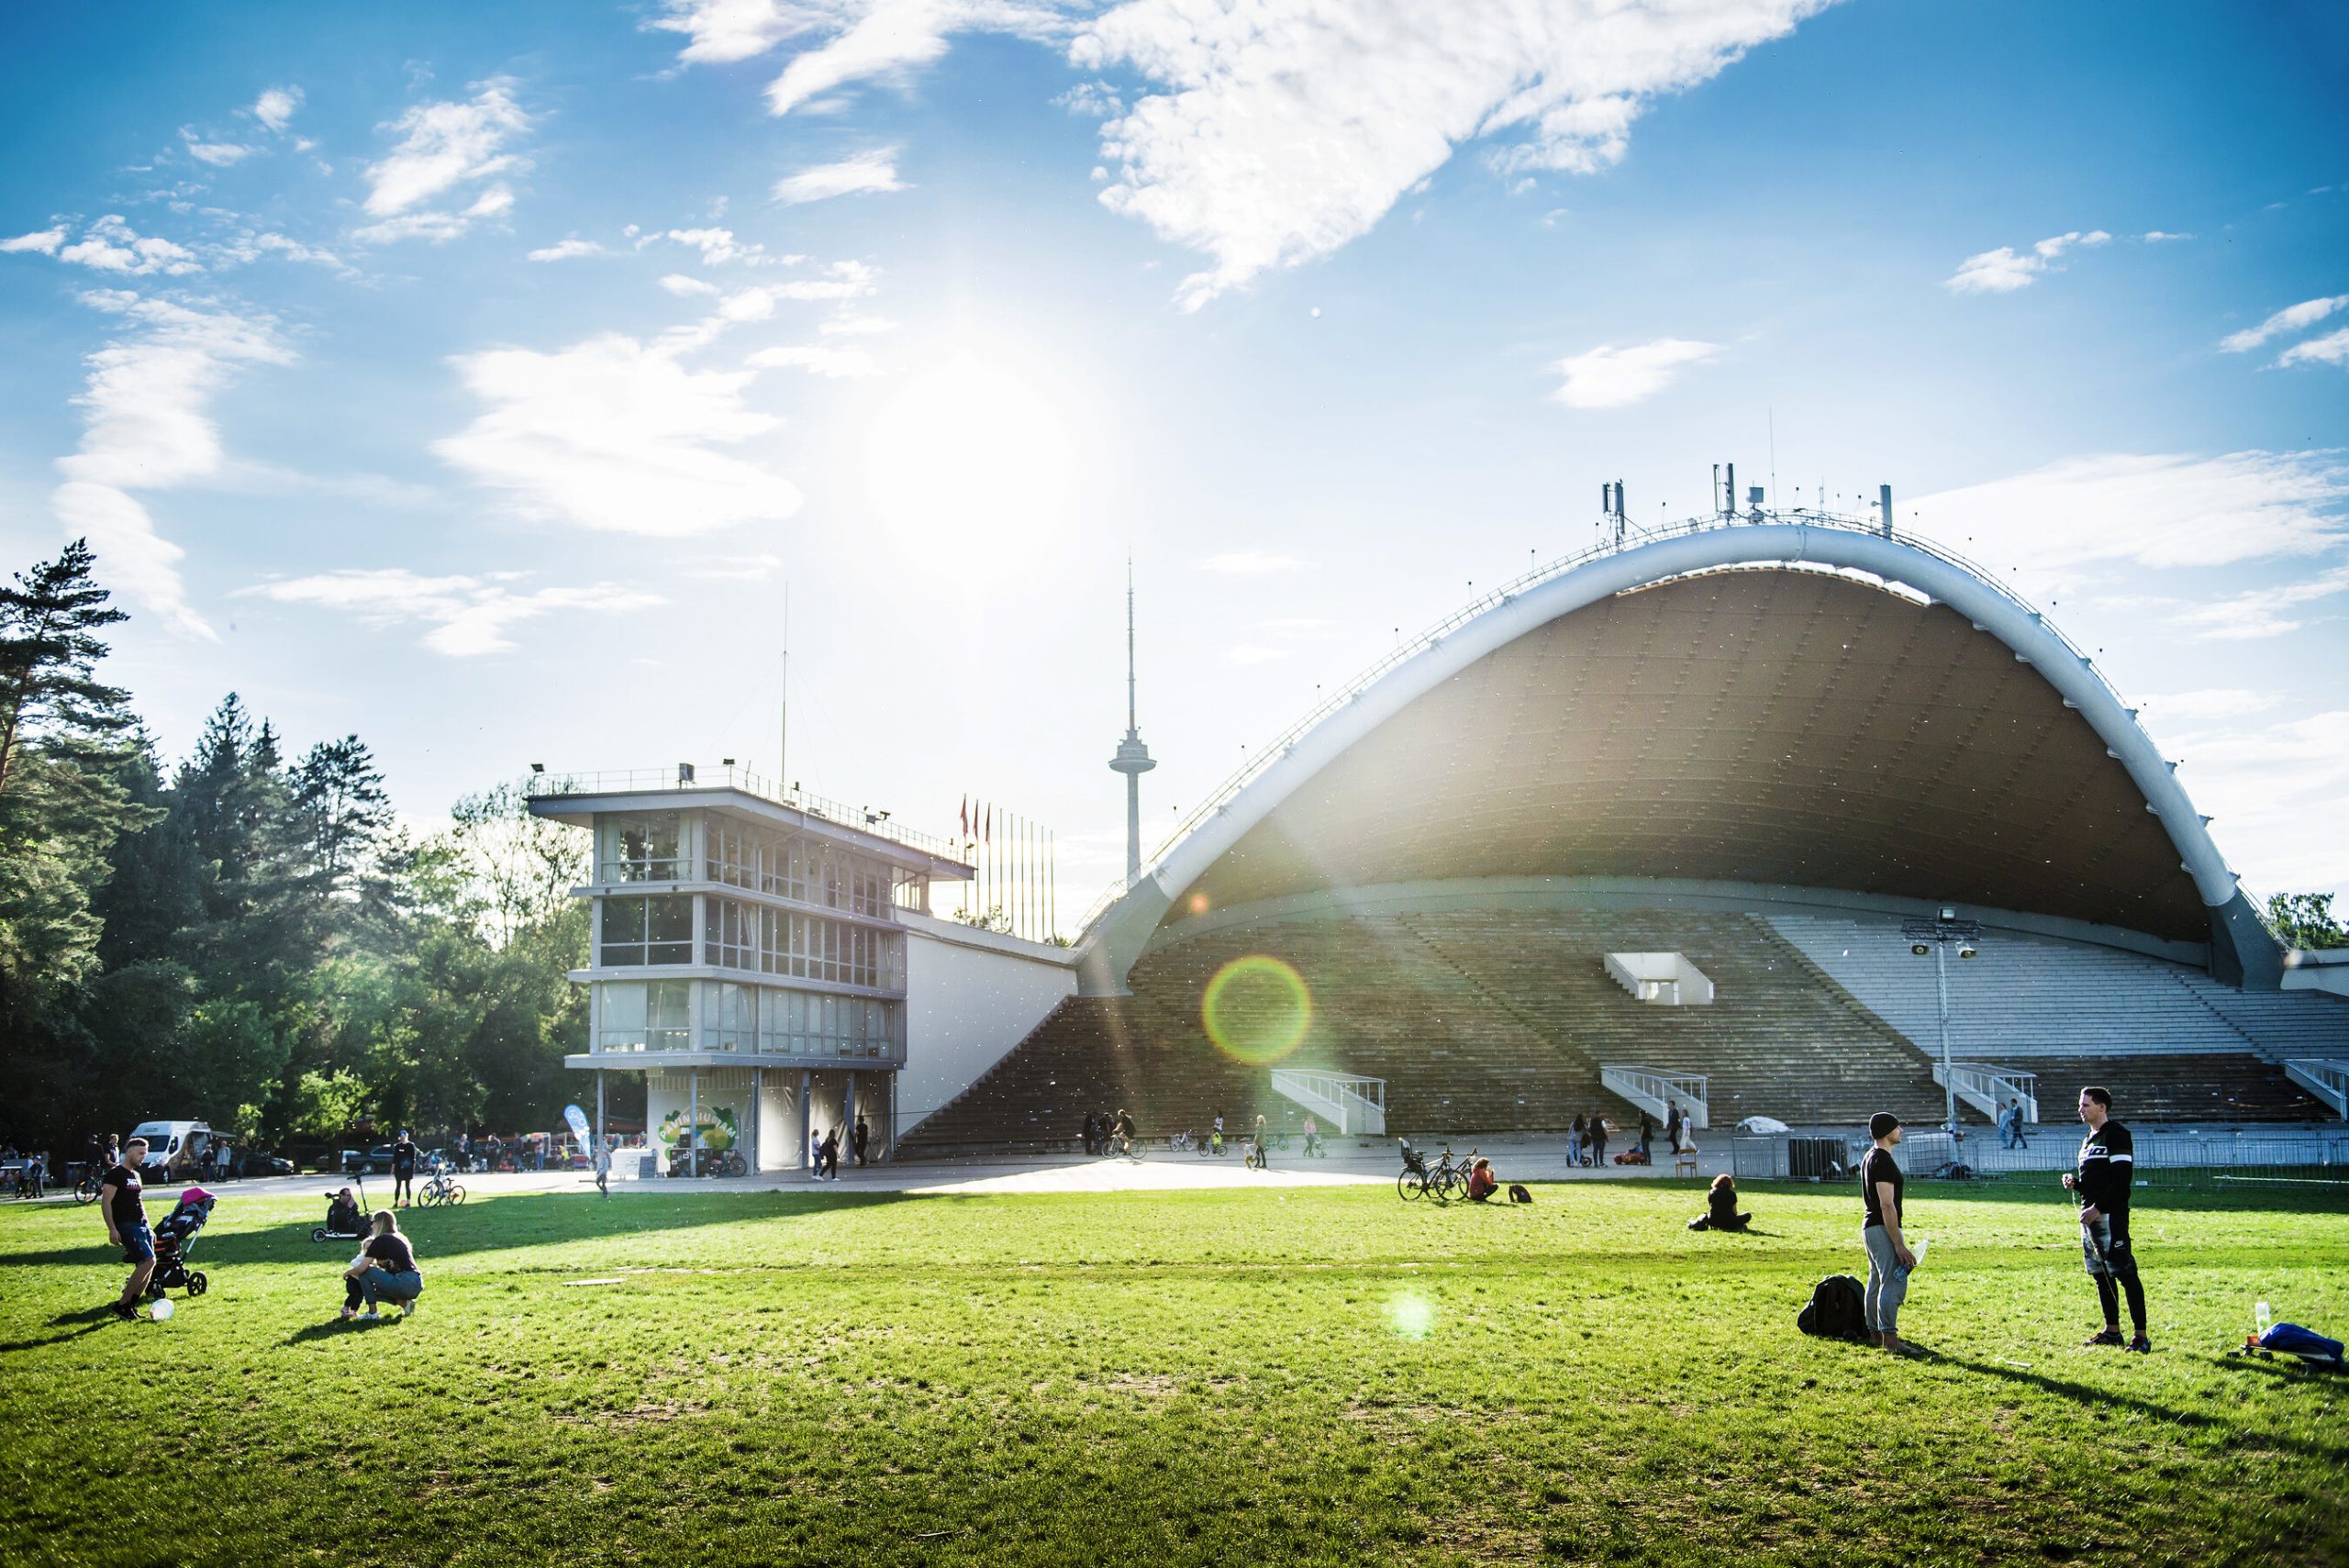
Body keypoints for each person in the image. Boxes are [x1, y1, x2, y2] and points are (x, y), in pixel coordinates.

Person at [2063, 1085, 2149, 1353]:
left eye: (2085, 1105)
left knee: (2125, 1273)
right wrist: (2076, 1184)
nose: (2080, 1109)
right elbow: (2096, 1182)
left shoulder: (2116, 1134)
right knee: (2101, 1276)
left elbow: (2122, 1181)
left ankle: (2141, 1337)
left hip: (2110, 1216)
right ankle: (2112, 1331)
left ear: (2101, 1107)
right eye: (2080, 1104)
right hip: (2090, 1217)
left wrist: (2098, 1209)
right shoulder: (2089, 1139)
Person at [1861, 1112, 1923, 1357]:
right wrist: (1898, 1243)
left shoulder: (1870, 1156)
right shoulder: (1883, 1160)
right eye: (1897, 1127)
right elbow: (1887, 1204)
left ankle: (1874, 1333)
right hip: (1882, 1227)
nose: (1901, 1131)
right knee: (1893, 1281)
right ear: (1887, 1131)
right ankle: (1890, 1339)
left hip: (1870, 1227)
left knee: (1876, 1281)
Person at [99, 1136, 154, 1321]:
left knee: (149, 1264)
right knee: (148, 1261)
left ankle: (131, 1305)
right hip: (126, 1224)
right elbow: (106, 1202)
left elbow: (139, 1202)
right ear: (129, 1152)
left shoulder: (136, 1176)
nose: (143, 1157)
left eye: (144, 1153)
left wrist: (149, 1226)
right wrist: (112, 1229)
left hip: (142, 1225)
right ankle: (122, 1304)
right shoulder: (115, 1174)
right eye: (140, 1153)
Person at [341, 1210, 423, 1320]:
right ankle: (404, 1304)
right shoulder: (400, 1237)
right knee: (369, 1288)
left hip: (404, 1281)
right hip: (416, 1282)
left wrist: (347, 1273)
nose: (371, 1225)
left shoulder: (380, 1240)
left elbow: (362, 1268)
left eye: (373, 1222)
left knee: (365, 1273)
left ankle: (372, 1313)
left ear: (380, 1223)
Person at [1687, 1173, 1751, 1232]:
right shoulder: (1732, 1194)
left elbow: (1711, 1207)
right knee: (1747, 1215)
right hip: (1730, 1222)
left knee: (1705, 1215)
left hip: (1714, 1221)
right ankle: (1738, 1226)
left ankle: (1694, 1223)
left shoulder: (1712, 1192)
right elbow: (1734, 1212)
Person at [391, 1129, 418, 1207]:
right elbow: (395, 1158)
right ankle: (396, 1202)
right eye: (401, 1137)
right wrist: (392, 1169)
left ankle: (408, 1202)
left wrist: (413, 1168)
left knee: (407, 1186)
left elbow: (413, 1158)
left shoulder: (411, 1145)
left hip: (408, 1169)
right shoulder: (397, 1146)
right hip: (399, 1169)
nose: (403, 1138)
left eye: (404, 1136)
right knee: (398, 1186)